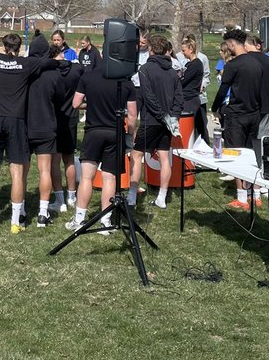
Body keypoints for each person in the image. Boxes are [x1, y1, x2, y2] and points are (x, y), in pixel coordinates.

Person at [0, 32, 59, 233]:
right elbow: (49, 63)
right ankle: (15, 222)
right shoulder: (26, 64)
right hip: (16, 120)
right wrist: (65, 64)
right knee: (17, 172)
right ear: (20, 47)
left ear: (3, 46)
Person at [64, 63, 137, 234]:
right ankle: (105, 220)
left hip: (93, 131)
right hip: (115, 132)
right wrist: (130, 133)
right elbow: (133, 113)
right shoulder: (125, 81)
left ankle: (79, 218)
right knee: (109, 178)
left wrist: (91, 104)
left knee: (87, 177)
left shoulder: (88, 77)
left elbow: (75, 103)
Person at [213, 29, 269, 210]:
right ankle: (255, 194)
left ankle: (242, 197)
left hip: (236, 115)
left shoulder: (233, 65)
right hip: (255, 114)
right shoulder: (258, 63)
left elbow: (223, 90)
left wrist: (215, 108)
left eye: (228, 44)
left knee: (236, 155)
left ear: (232, 44)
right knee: (252, 155)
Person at [127, 33, 182, 210]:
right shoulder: (172, 71)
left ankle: (132, 196)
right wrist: (172, 117)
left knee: (136, 155)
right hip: (166, 121)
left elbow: (148, 96)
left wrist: (164, 116)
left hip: (151, 120)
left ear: (151, 49)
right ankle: (162, 197)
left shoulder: (145, 69)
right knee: (164, 157)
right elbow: (179, 99)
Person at [25, 44, 67, 227]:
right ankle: (43, 212)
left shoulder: (23, 72)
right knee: (45, 169)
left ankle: (21, 209)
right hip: (46, 124)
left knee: (22, 171)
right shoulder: (54, 75)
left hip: (25, 125)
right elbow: (61, 98)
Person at [50, 51, 85, 213]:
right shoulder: (76, 70)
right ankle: (71, 196)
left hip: (55, 118)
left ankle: (59, 200)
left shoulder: (51, 72)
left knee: (55, 162)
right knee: (69, 159)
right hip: (71, 118)